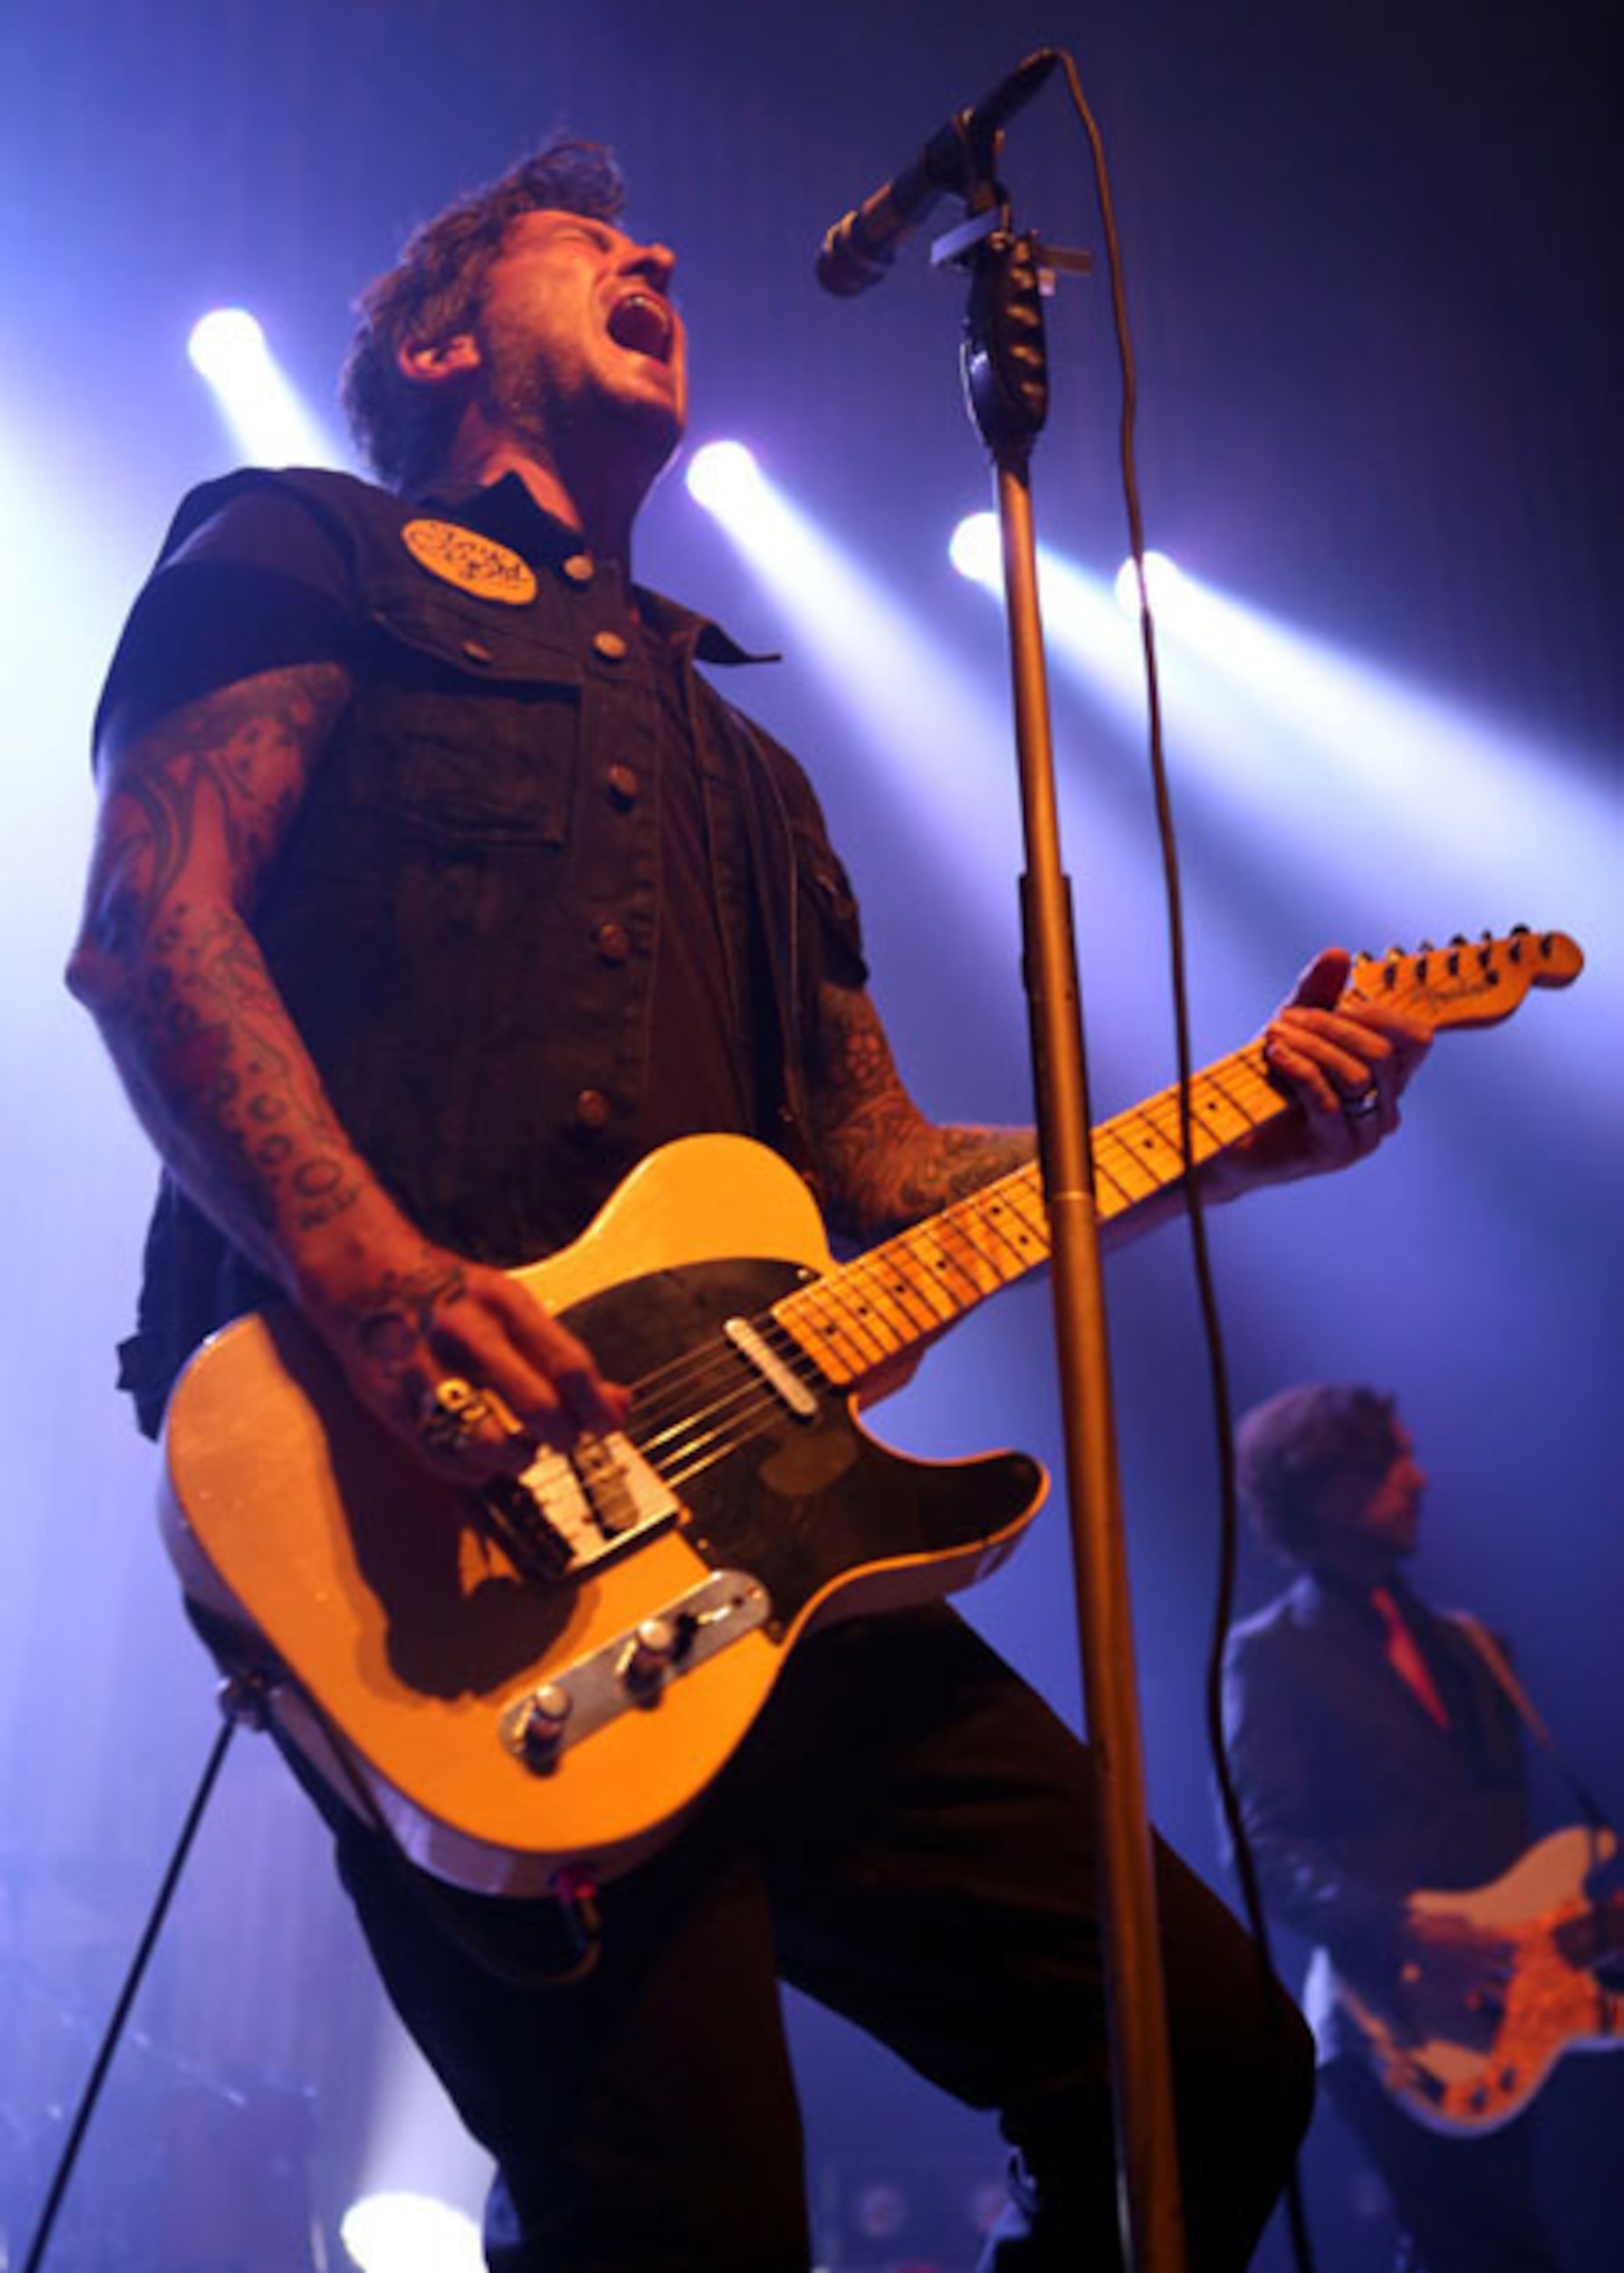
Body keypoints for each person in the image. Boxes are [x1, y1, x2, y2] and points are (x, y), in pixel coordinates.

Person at [69, 135, 1432, 2273]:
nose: (657, 251)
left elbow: (883, 1177)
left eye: (652, 243)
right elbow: (155, 930)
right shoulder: (308, 549)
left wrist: (1235, 1129)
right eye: (582, 241)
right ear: (437, 346)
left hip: (767, 1548)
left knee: (1209, 2060)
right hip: (422, 1517)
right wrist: (370, 1271)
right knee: (684, 2212)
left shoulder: (754, 775)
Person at [1223, 1384, 1583, 2273]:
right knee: (1497, 2249)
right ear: (1320, 1488)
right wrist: (1405, 1927)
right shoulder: (1271, 1653)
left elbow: (1508, 1835)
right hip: (1385, 2013)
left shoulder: (1474, 1647)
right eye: (1389, 1463)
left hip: (1512, 2010)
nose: (1417, 1479)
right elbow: (1261, 1847)